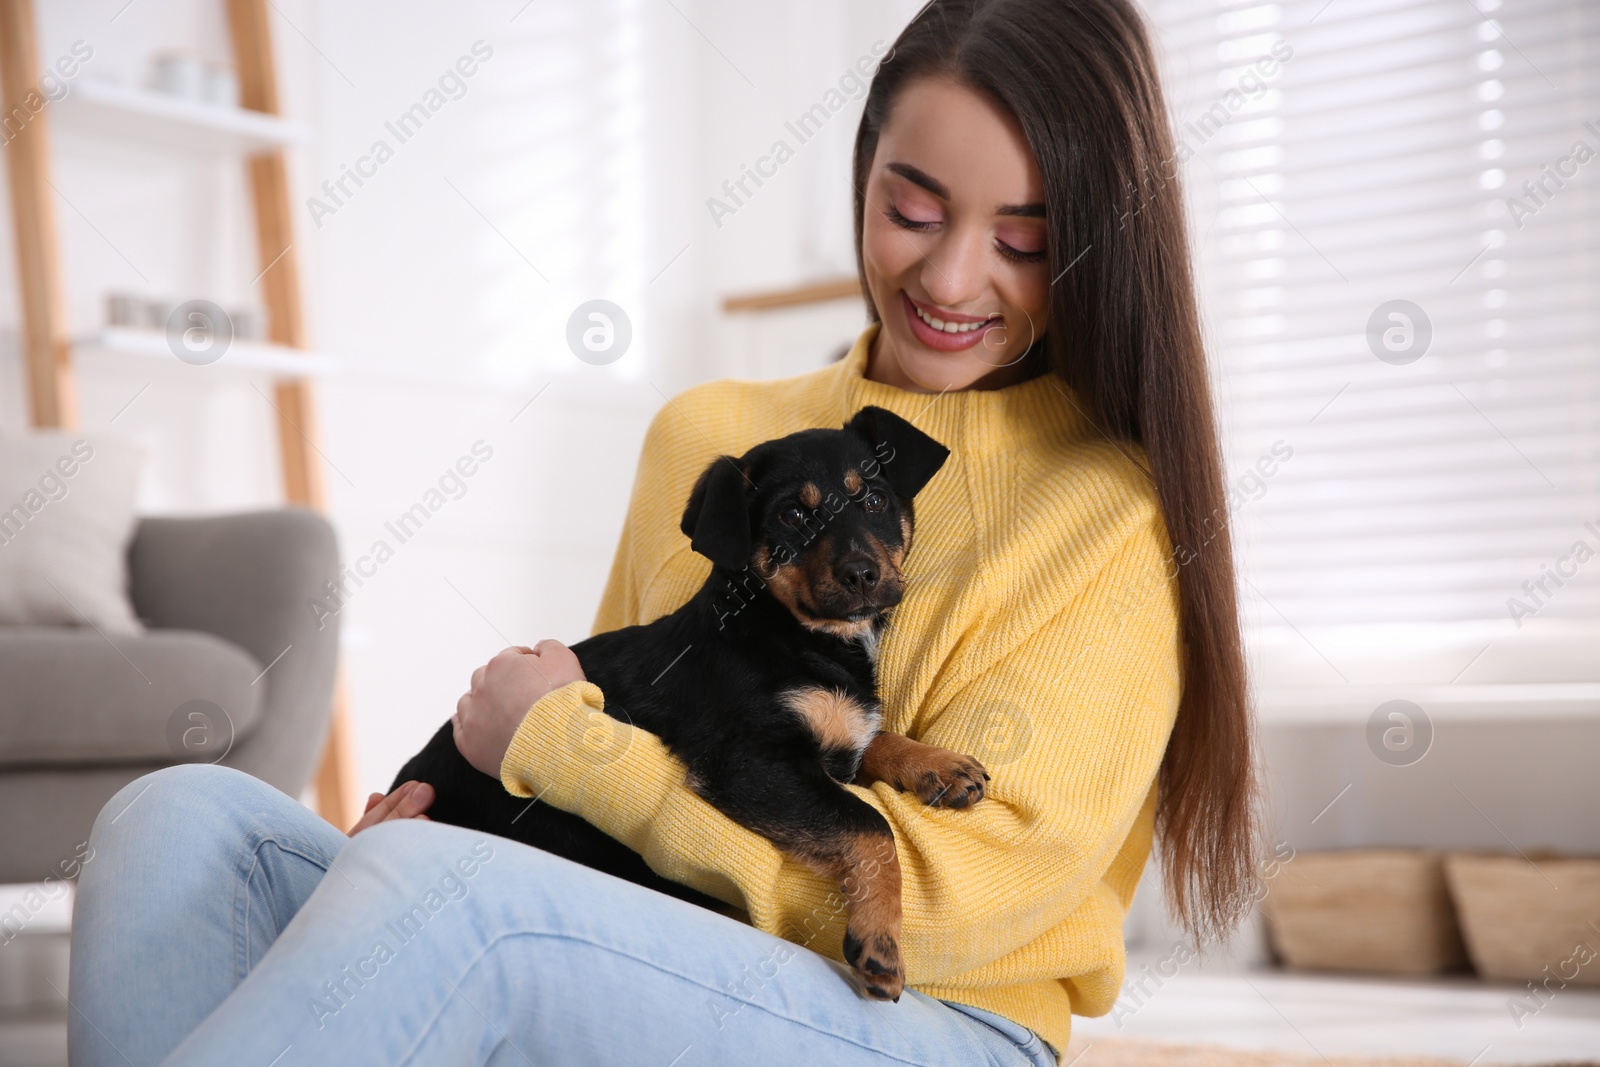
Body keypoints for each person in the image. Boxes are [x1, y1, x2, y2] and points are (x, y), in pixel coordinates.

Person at [67, 1, 1261, 1063]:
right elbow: (629, 752)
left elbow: (958, 901)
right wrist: (440, 814)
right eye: (912, 207)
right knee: (176, 818)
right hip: (679, 949)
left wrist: (546, 763)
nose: (951, 275)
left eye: (1022, 238)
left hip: (935, 1018)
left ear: (1101, 238)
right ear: (862, 177)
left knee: (452, 907)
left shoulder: (1110, 511)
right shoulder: (714, 439)